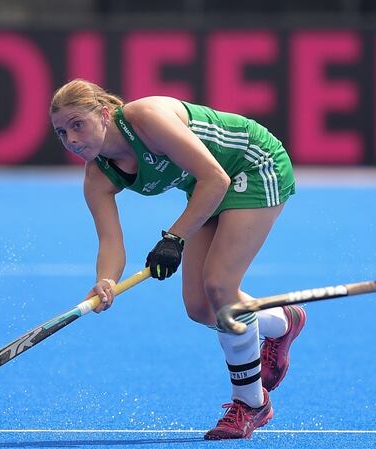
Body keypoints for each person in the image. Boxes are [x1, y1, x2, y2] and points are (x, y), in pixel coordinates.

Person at [49, 79, 307, 440]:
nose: (72, 139)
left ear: (104, 114)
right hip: (207, 187)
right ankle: (283, 321)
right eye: (62, 132)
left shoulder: (146, 118)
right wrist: (106, 280)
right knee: (201, 308)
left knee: (219, 285)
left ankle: (251, 404)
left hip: (252, 164)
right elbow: (110, 242)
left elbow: (215, 177)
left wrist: (174, 239)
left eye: (78, 124)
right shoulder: (97, 177)